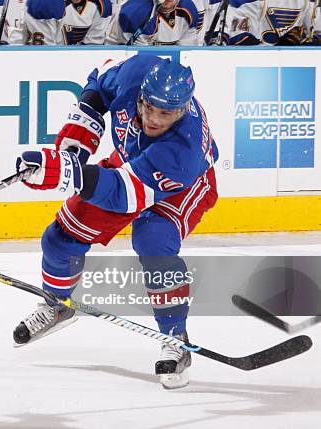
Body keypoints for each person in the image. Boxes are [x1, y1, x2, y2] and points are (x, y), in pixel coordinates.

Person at [13, 55, 219, 389]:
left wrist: (66, 172)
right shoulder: (137, 72)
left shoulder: (184, 149)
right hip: (132, 165)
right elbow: (96, 89)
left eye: (164, 113)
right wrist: (73, 150)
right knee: (60, 238)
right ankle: (58, 306)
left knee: (152, 237)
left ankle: (175, 336)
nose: (152, 119)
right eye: (147, 107)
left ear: (181, 110)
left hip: (182, 185)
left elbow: (124, 196)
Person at [106, 0, 203, 45]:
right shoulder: (134, 12)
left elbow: (185, 55)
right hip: (120, 63)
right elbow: (138, 59)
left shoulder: (189, 11)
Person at [23, 0, 112, 45]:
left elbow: (94, 49)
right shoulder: (45, 3)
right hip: (40, 62)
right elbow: (44, 54)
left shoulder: (101, 5)